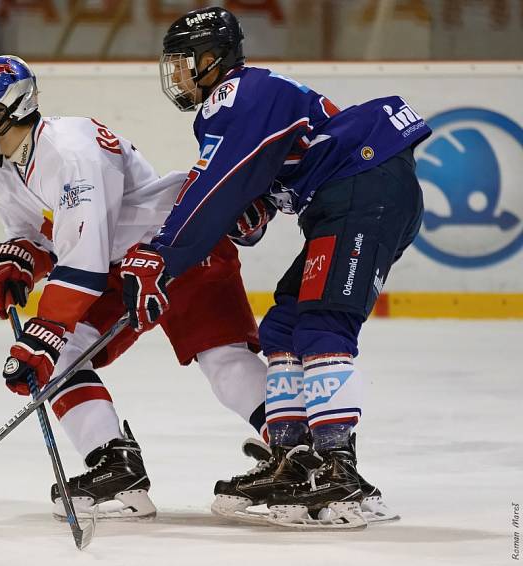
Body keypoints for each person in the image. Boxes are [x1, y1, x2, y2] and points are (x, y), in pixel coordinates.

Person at [120, 7, 430, 529]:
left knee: (323, 321)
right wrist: (247, 210)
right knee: (284, 325)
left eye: (183, 62)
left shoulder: (239, 93)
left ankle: (339, 469)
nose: (174, 75)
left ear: (214, 59)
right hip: (346, 198)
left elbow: (220, 181)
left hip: (363, 190)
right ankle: (293, 458)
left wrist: (163, 252)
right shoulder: (250, 102)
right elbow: (249, 198)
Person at [0, 55, 269, 520]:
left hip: (175, 248)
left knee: (224, 362)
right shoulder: (0, 168)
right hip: (118, 265)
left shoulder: (71, 149)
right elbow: (44, 238)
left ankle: (301, 453)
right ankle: (114, 465)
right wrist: (19, 259)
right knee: (58, 355)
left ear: (7, 110)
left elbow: (84, 258)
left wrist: (46, 327)